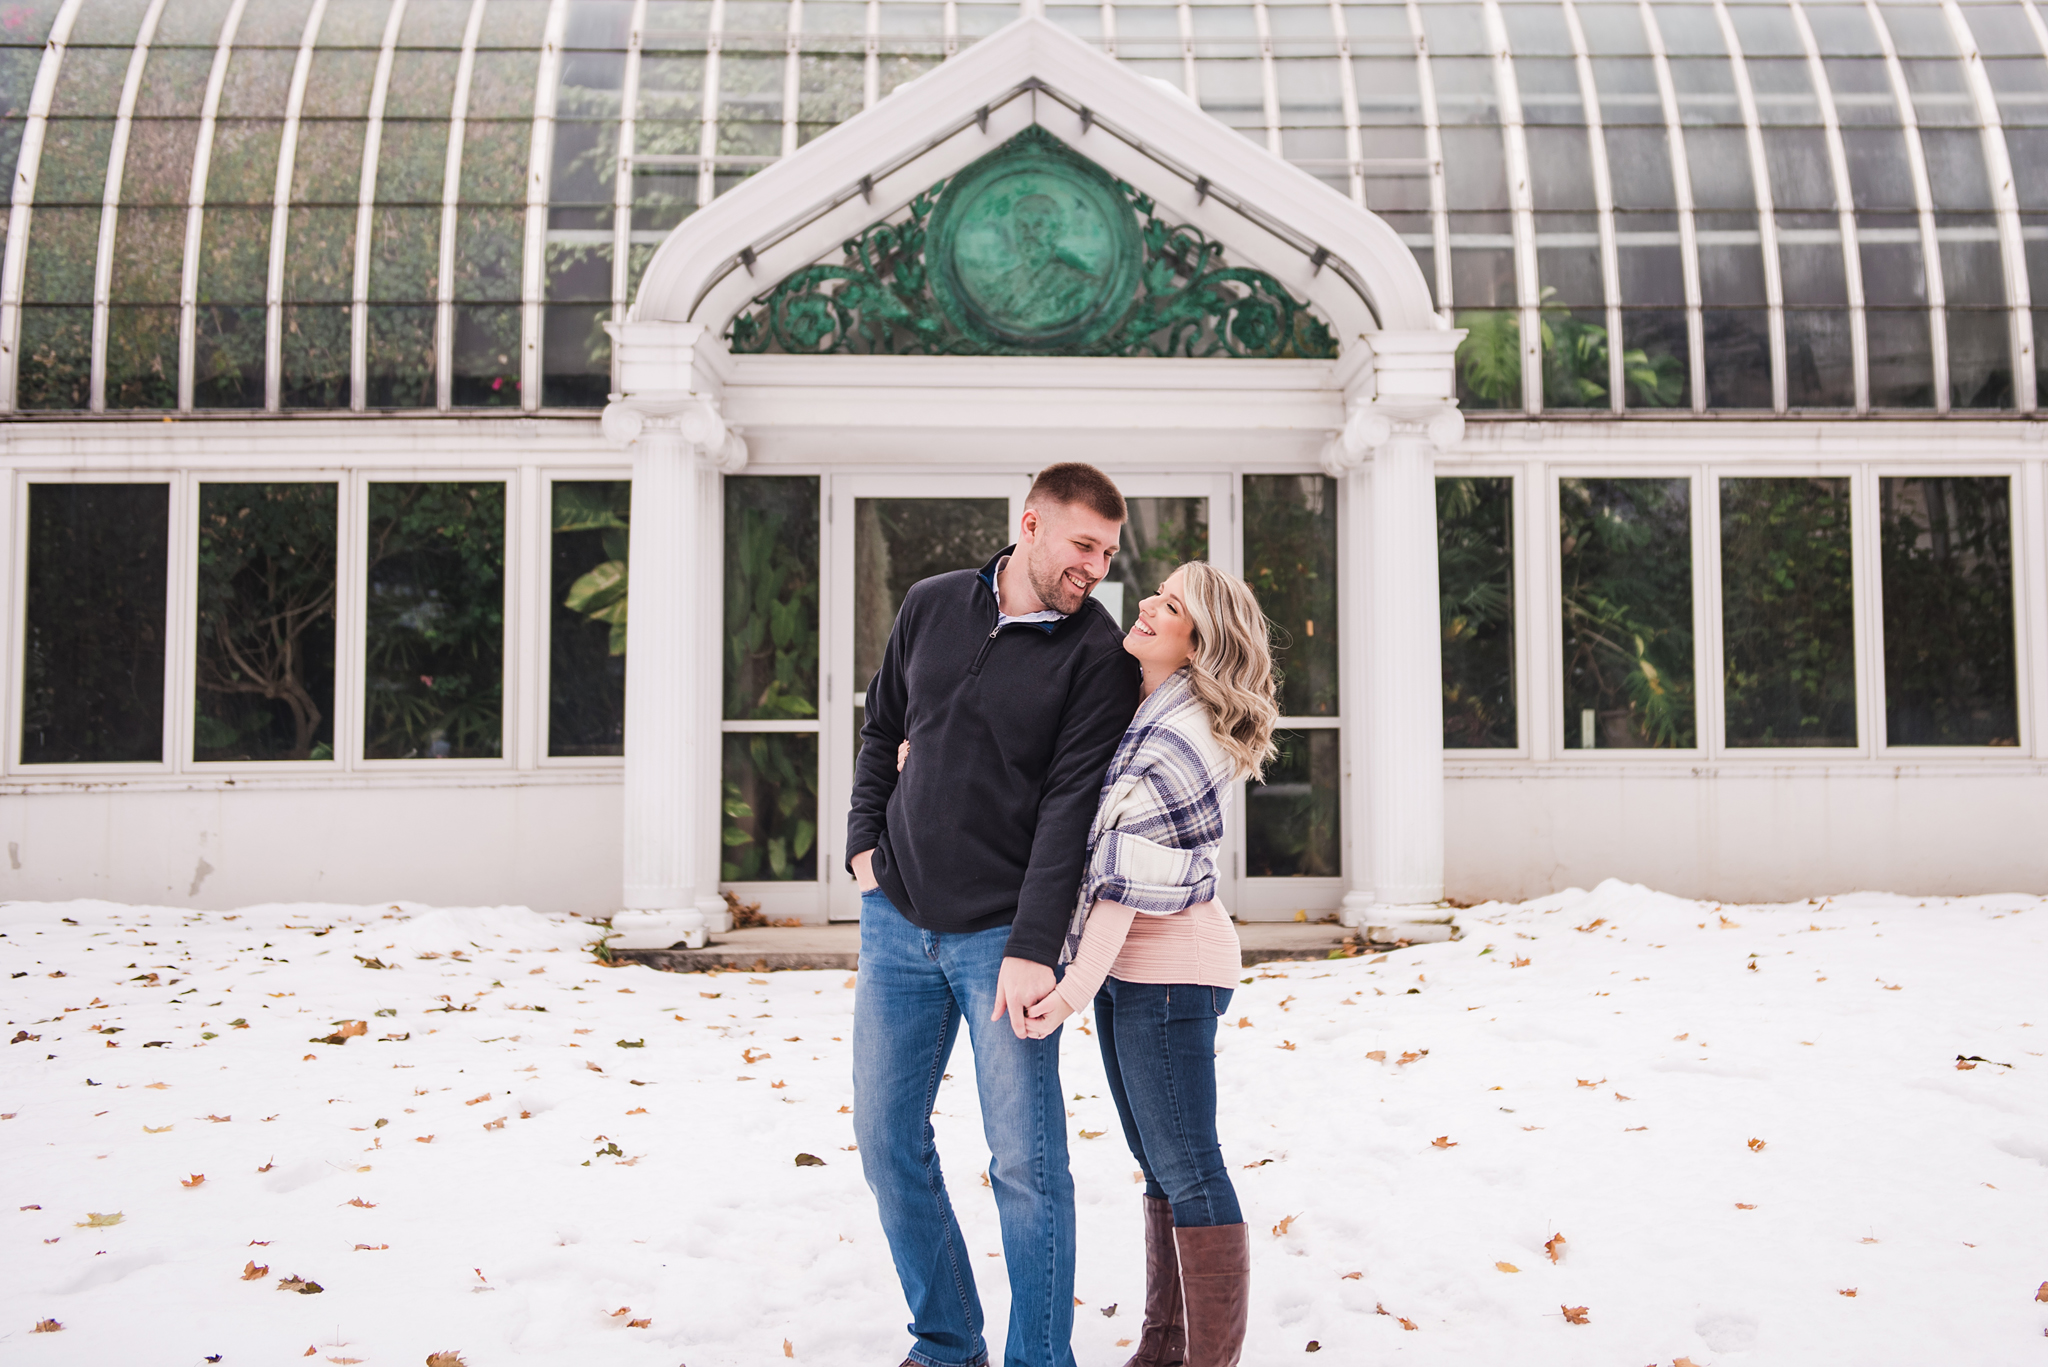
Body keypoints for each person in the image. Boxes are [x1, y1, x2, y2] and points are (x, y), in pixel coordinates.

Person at [846, 462, 1140, 1367]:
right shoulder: (933, 602)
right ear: (1031, 525)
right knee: (886, 1138)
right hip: (896, 919)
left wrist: (1032, 947)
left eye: (1108, 552)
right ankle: (946, 1342)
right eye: (1083, 545)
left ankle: (1040, 1359)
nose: (1094, 567)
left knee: (1027, 1167)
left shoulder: (1097, 656)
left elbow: (1068, 811)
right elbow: (881, 723)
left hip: (999, 942)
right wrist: (863, 844)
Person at [1022, 562, 1279, 1367]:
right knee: (1161, 1167)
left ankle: (1206, 1359)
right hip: (1139, 973)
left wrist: (1069, 991)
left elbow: (1123, 883)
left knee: (1191, 1165)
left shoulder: (1181, 731)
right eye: (1156, 593)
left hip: (1171, 971)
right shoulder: (1145, 711)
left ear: (1197, 641)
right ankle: (1164, 1347)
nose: (1145, 605)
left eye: (1170, 605)